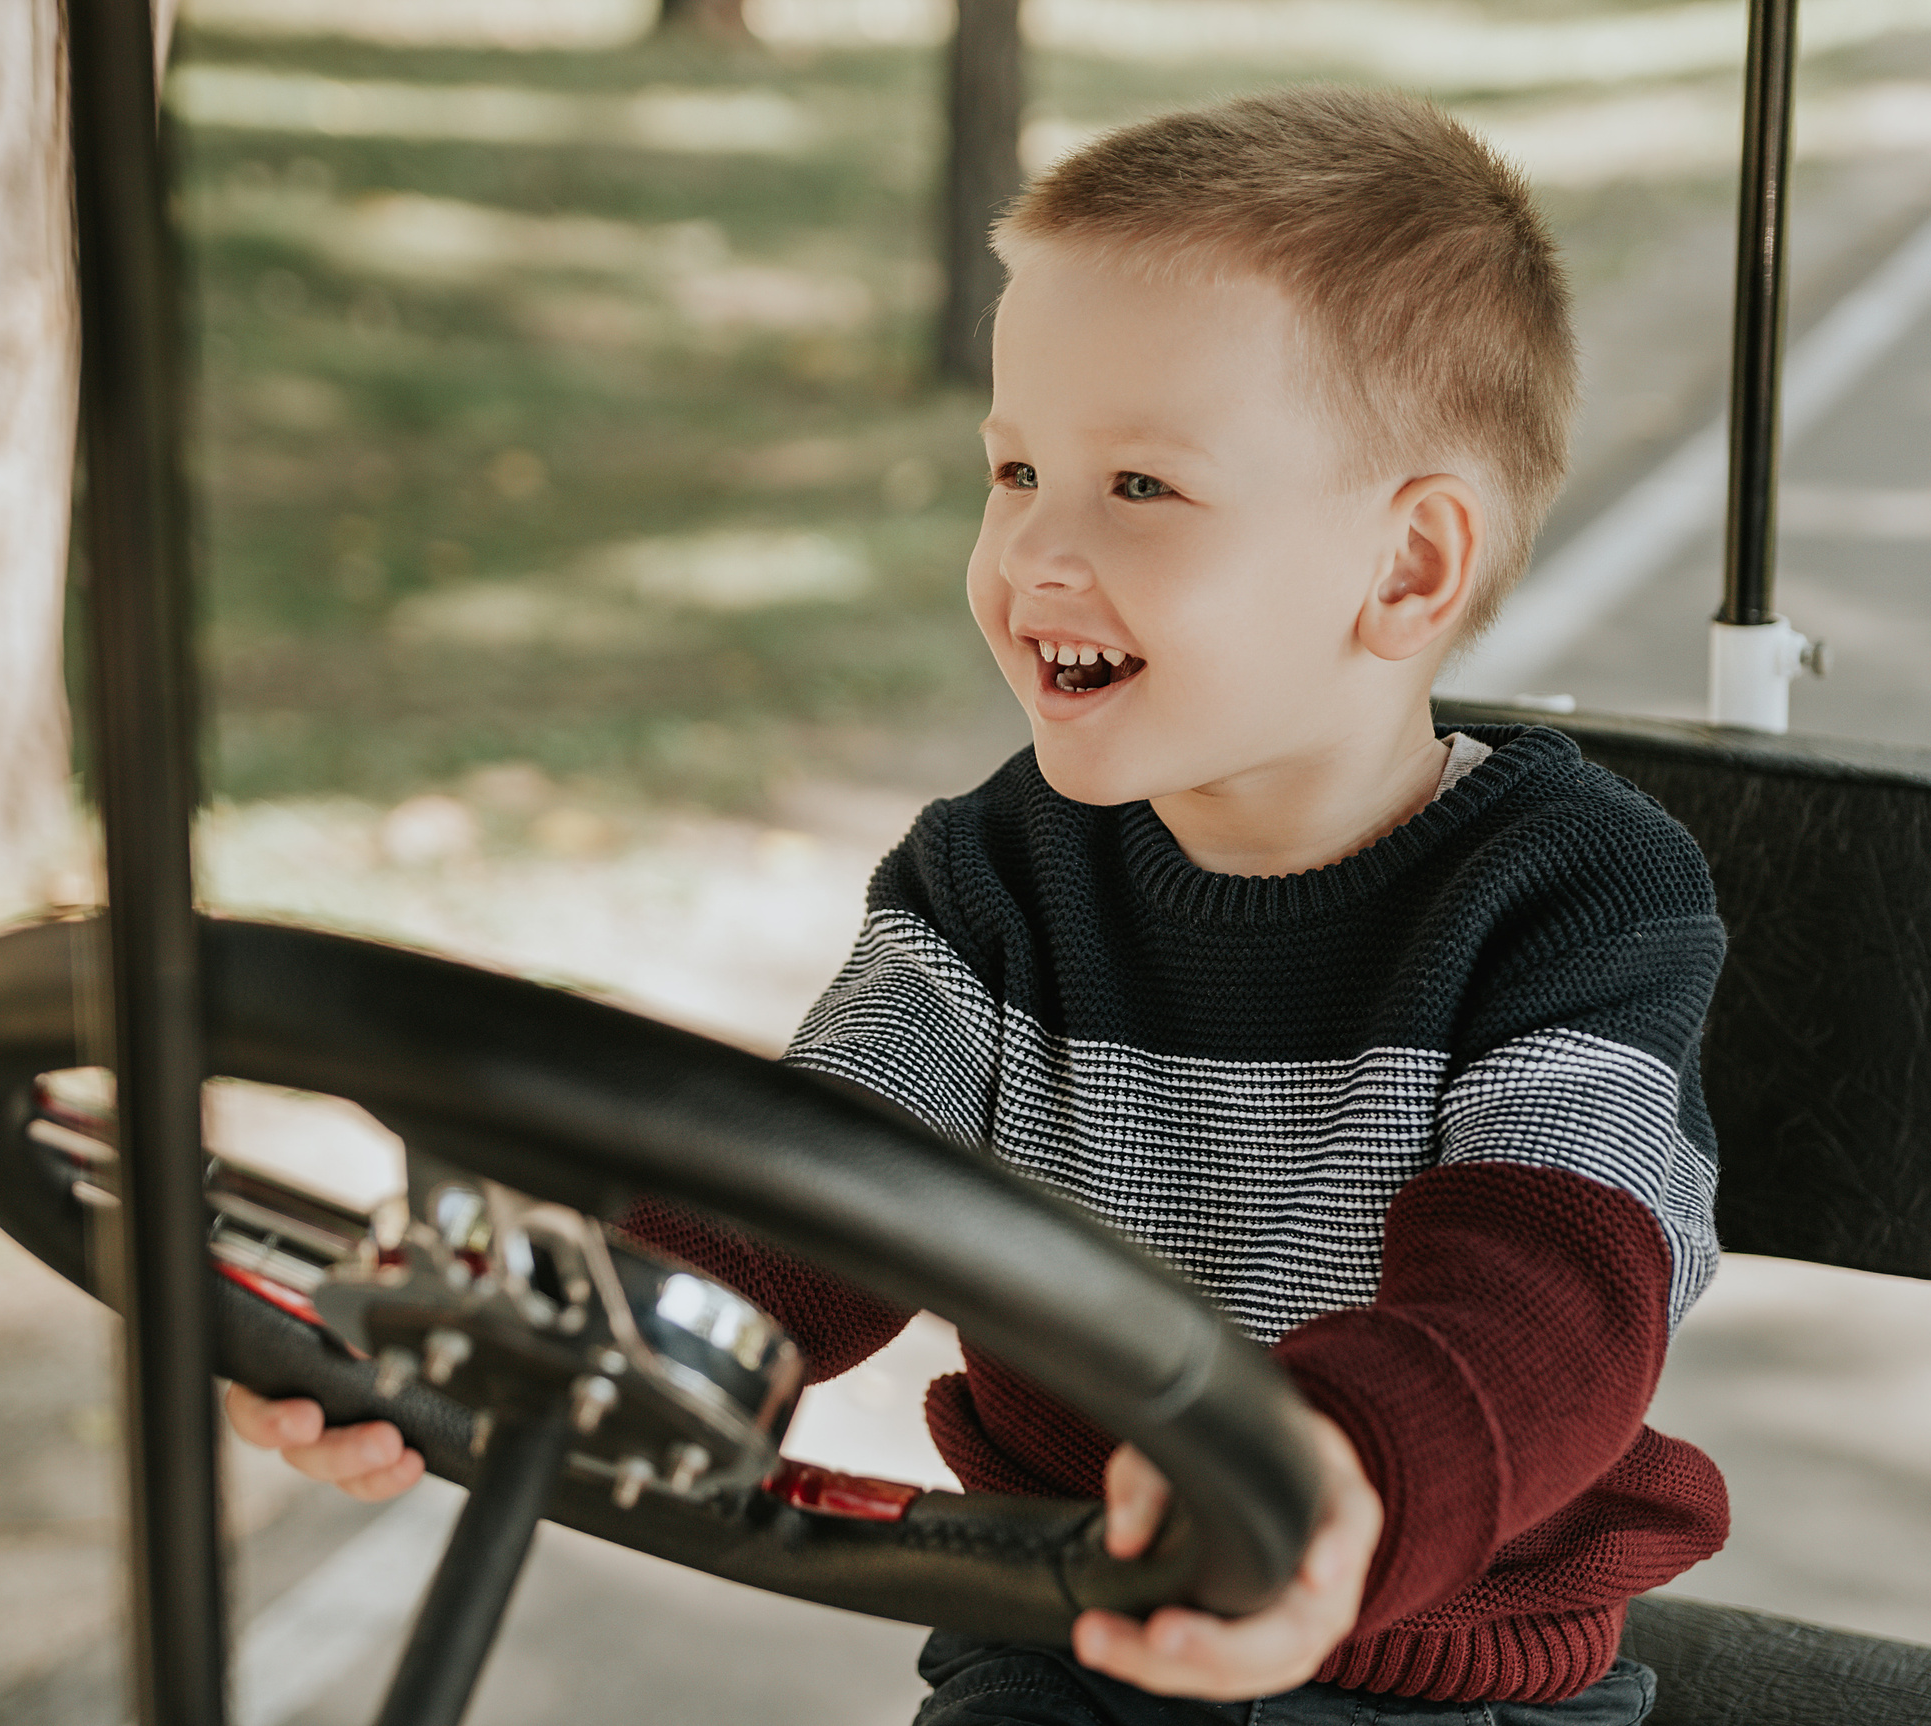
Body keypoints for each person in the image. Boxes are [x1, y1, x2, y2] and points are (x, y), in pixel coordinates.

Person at [230, 84, 1728, 1725]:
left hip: (1434, 1671)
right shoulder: (996, 874)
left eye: (1140, 487)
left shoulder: (1577, 898)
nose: (1034, 553)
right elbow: (806, 1198)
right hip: (1057, 1637)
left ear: (1407, 572)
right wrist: (514, 1340)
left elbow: (1557, 1293)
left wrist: (1336, 1471)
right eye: (1013, 468)